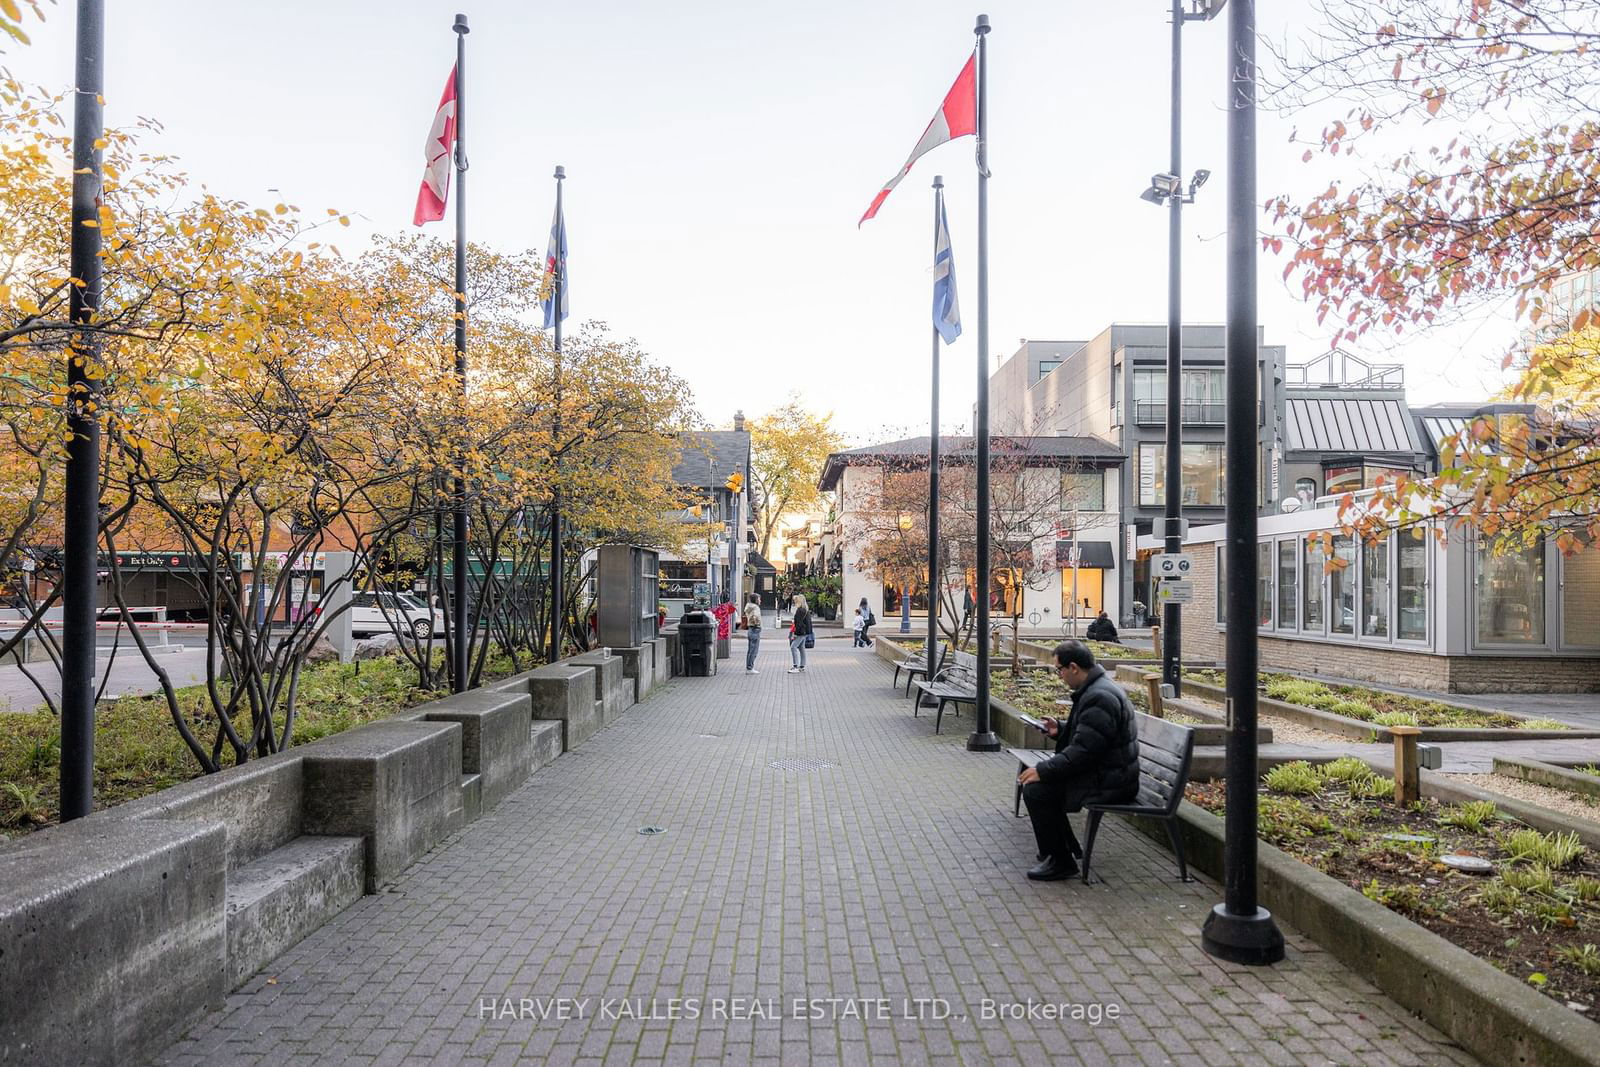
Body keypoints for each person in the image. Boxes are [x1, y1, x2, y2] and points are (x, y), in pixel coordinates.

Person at [1016, 641, 1140, 881]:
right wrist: (1060, 730)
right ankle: (1061, 849)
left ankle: (1061, 861)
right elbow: (1091, 738)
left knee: (1036, 790)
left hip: (1110, 782)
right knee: (1038, 784)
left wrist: (1044, 770)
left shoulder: (1099, 697)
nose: (1059, 675)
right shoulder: (1095, 689)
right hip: (1110, 772)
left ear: (1073, 667)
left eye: (1059, 669)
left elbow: (1084, 752)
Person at [787, 594, 812, 673]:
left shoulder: (800, 610)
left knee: (793, 647)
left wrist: (795, 633)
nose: (794, 602)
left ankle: (795, 666)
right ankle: (802, 666)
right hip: (805, 632)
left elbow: (799, 624)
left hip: (800, 632)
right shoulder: (805, 610)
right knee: (801, 648)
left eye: (795, 601)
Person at [742, 593, 763, 673]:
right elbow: (756, 617)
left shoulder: (748, 607)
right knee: (754, 650)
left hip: (750, 628)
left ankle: (749, 667)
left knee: (750, 649)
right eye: (759, 599)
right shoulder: (756, 608)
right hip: (755, 628)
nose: (760, 600)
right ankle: (750, 668)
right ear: (756, 600)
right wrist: (757, 624)